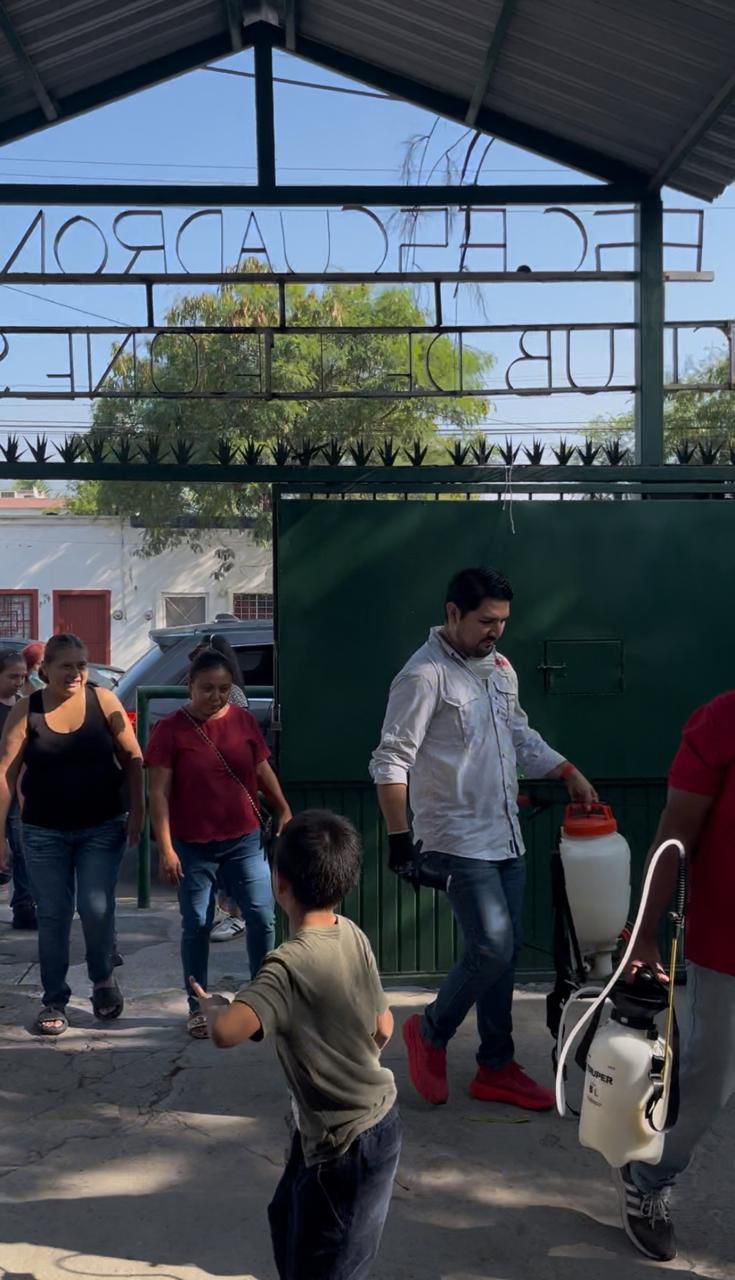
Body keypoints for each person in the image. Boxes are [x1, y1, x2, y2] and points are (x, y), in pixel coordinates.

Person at [370, 566, 597, 1110]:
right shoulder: (424, 676)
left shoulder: (499, 668)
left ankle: (496, 1066)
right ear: (452, 614)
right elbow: (390, 760)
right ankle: (430, 1031)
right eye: (485, 620)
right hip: (454, 838)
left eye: (502, 622)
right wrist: (401, 842)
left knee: (505, 952)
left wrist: (566, 771)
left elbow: (518, 732)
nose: (495, 631)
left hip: (503, 833)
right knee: (491, 946)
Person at [192, 809, 401, 1280]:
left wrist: (214, 1008)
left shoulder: (284, 966)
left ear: (279, 883)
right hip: (376, 1122)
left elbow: (227, 1032)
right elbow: (383, 1025)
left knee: (329, 1264)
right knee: (287, 1219)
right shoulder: (351, 934)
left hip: (344, 1145)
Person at [614, 691, 735, 1262]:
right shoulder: (722, 722)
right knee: (709, 1087)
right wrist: (642, 930)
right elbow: (675, 831)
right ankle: (648, 1178)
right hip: (728, 950)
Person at [0, 633, 144, 1035]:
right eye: (67, 666)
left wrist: (138, 811)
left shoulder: (104, 701)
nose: (76, 673)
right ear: (44, 669)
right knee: (53, 915)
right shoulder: (27, 710)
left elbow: (133, 757)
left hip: (101, 826)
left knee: (96, 909)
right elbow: (5, 774)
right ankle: (54, 999)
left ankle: (102, 981)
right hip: (44, 832)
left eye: (82, 665)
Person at [145, 647, 291, 1037]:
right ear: (190, 686)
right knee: (196, 922)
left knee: (261, 916)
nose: (216, 697)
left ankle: (262, 1000)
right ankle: (197, 1004)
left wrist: (282, 808)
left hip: (243, 839)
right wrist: (166, 848)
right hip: (192, 844)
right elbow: (157, 793)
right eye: (207, 689)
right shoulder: (170, 730)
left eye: (224, 689)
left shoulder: (242, 721)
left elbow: (260, 768)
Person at [188, 633, 251, 942]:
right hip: (203, 803)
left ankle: (236, 914)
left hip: (229, 798)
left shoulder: (234, 700)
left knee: (232, 866)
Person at [0, 649, 36, 929]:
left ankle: (24, 905)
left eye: (22, 676)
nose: (18, 681)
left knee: (23, 846)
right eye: (12, 676)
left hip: (18, 787)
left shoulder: (23, 706)